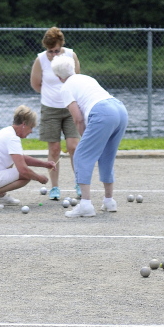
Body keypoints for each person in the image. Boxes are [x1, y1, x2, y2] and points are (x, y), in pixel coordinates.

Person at [49, 56, 128, 219]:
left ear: (58, 76)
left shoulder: (65, 88)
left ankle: (85, 205)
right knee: (107, 156)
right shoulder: (85, 77)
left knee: (81, 155)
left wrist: (86, 139)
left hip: (103, 113)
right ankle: (109, 201)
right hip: (119, 109)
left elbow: (77, 118)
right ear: (73, 68)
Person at [0, 105, 54, 209]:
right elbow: (23, 170)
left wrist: (45, 164)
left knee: (14, 165)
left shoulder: (7, 131)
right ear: (24, 124)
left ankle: (1, 196)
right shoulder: (12, 139)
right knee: (26, 175)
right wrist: (39, 178)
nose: (31, 131)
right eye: (31, 127)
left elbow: (20, 158)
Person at [30, 26, 81, 201]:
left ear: (62, 46)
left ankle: (79, 183)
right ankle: (55, 188)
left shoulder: (71, 56)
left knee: (73, 146)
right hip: (50, 109)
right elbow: (36, 84)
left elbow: (77, 79)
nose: (53, 54)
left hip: (70, 107)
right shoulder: (41, 60)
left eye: (56, 50)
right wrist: (51, 95)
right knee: (54, 149)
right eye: (50, 51)